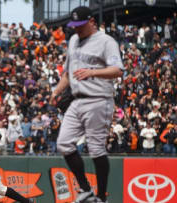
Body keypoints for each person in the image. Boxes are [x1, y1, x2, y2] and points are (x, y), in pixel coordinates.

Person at [50, 6, 124, 203]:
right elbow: (67, 73)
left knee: (96, 149)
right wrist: (57, 91)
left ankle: (101, 197)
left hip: (99, 99)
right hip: (77, 99)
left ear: (92, 22)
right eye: (74, 26)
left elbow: (117, 70)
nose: (77, 29)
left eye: (81, 25)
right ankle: (85, 189)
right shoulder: (73, 40)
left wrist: (92, 72)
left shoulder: (106, 41)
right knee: (64, 143)